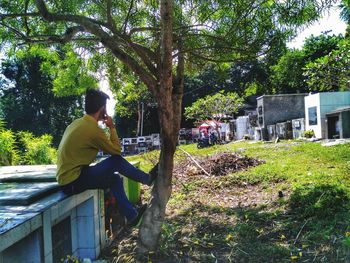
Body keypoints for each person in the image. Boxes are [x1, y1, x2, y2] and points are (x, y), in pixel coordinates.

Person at [56, 89, 158, 227]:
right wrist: (112, 127)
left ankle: (132, 216)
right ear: (103, 109)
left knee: (114, 178)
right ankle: (147, 179)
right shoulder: (93, 129)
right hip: (73, 181)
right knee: (115, 161)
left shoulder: (77, 123)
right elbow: (116, 151)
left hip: (67, 180)